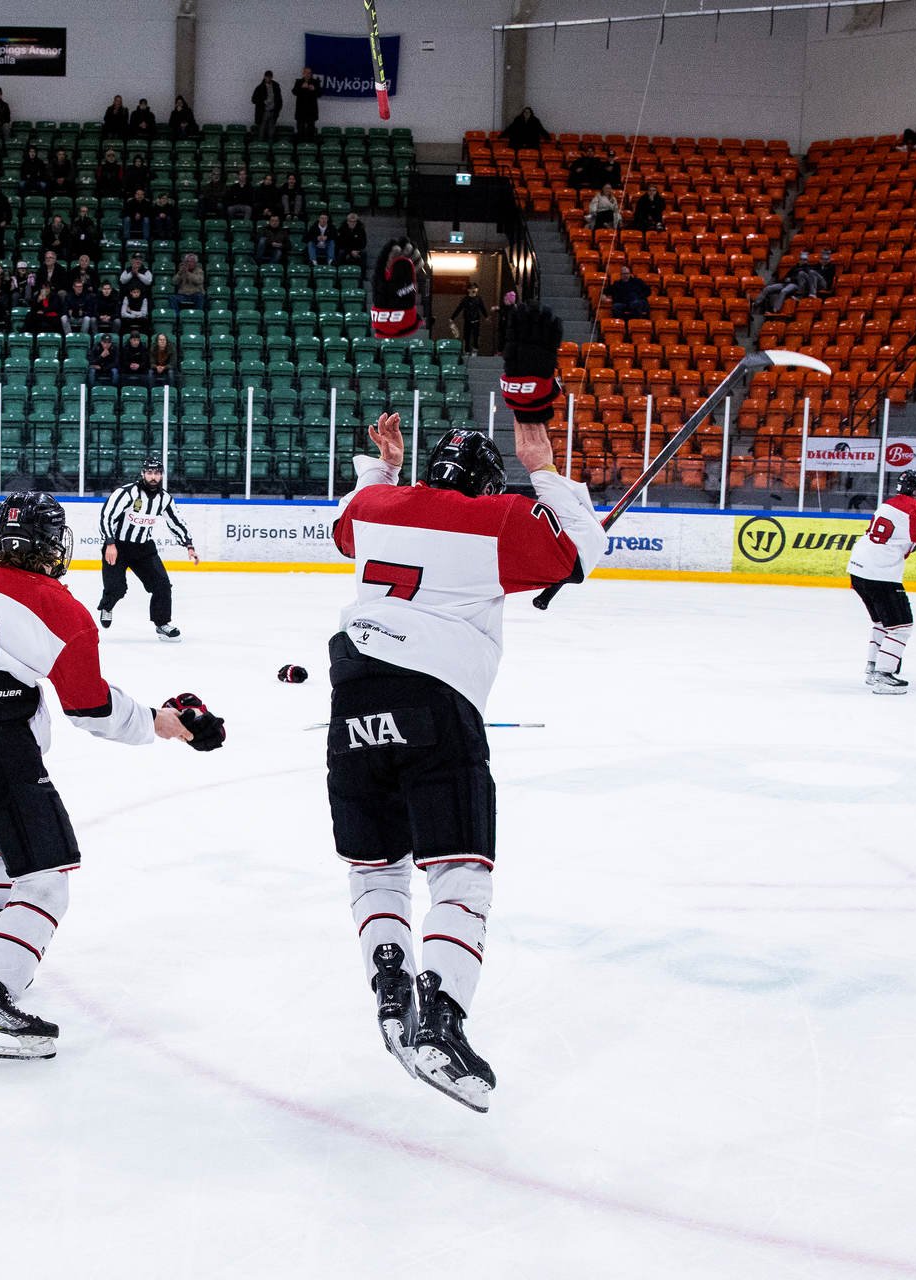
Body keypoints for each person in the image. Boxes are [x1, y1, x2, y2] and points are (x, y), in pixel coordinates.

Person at [329, 303, 604, 1109]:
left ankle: (390, 987)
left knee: (376, 864)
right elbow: (585, 549)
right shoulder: (498, 520)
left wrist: (385, 467)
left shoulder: (376, 509)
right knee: (459, 872)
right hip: (435, 701)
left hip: (354, 700)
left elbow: (346, 531)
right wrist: (544, 463)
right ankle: (440, 1022)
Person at [0, 492, 218, 1060]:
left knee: (9, 851)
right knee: (48, 875)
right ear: (53, 544)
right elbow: (90, 708)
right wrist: (161, 723)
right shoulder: (64, 610)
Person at [846, 470, 916, 693]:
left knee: (883, 623)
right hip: (880, 575)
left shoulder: (890, 504)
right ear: (915, 491)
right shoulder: (912, 509)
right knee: (901, 626)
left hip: (858, 570)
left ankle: (874, 669)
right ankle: (883, 676)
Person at [97, 455, 198, 640]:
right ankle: (107, 606)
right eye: (149, 472)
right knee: (117, 588)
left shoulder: (164, 499)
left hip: (144, 548)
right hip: (117, 546)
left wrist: (188, 544)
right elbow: (107, 516)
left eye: (157, 473)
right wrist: (109, 542)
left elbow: (176, 522)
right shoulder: (126, 493)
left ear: (161, 475)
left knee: (162, 585)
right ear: (143, 474)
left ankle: (162, 624)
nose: (153, 477)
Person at [370, 240, 421, 339]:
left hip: (400, 319)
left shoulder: (403, 272)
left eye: (398, 254)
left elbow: (408, 296)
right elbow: (381, 299)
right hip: (386, 320)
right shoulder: (378, 276)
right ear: (387, 255)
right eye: (394, 254)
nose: (396, 257)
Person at [449, 283, 489, 352]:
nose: (474, 290)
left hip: (476, 320)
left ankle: (475, 350)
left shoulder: (479, 299)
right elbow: (459, 308)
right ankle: (467, 351)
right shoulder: (465, 299)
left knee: (476, 336)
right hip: (467, 320)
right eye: (472, 288)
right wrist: (452, 317)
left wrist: (486, 317)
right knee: (467, 336)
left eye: (475, 288)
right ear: (468, 290)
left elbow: (482, 308)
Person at [251, 71, 283, 141]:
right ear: (264, 77)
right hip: (263, 112)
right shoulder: (259, 88)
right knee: (261, 131)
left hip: (273, 111)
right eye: (267, 77)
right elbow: (253, 100)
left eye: (270, 77)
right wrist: (263, 102)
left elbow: (279, 99)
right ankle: (261, 147)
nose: (268, 78)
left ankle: (269, 147)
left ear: (272, 77)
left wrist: (278, 109)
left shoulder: (276, 86)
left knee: (271, 131)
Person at [292, 67, 320, 141]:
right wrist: (301, 87)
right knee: (300, 131)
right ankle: (300, 149)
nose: (308, 74)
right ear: (303, 73)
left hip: (311, 111)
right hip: (301, 111)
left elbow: (320, 93)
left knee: (311, 131)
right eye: (306, 73)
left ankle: (310, 148)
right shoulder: (298, 82)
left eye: (309, 73)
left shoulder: (315, 82)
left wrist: (314, 89)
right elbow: (294, 92)